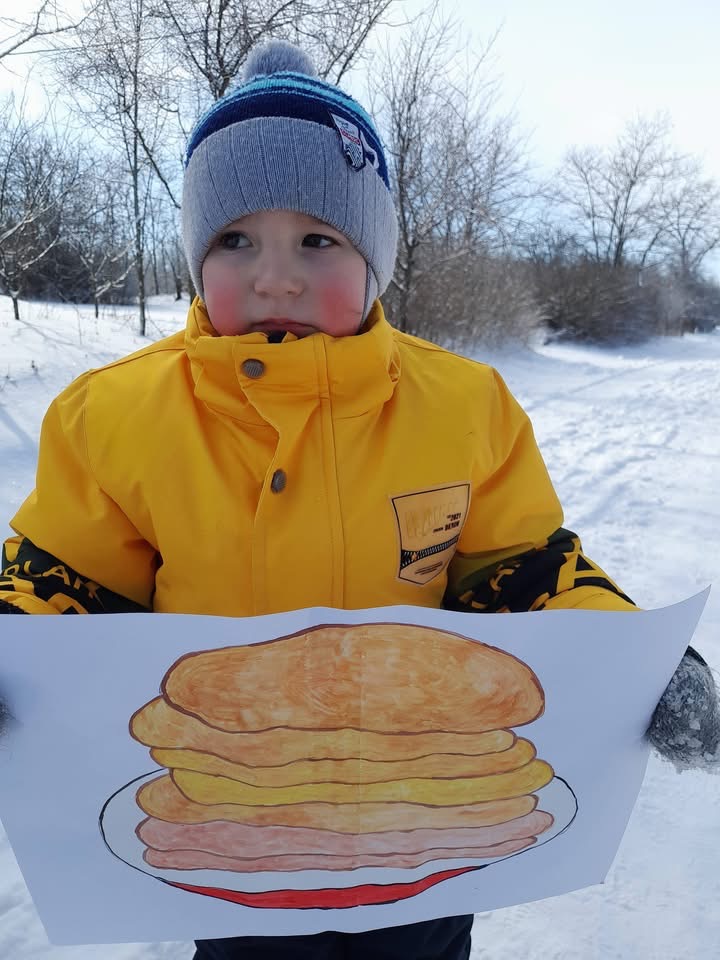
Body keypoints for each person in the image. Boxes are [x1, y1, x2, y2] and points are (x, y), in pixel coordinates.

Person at [0, 40, 717, 960]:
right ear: (192, 256)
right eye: (234, 239)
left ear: (375, 257)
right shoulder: (113, 416)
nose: (277, 275)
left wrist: (636, 662)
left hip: (423, 823)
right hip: (232, 838)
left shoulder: (463, 407)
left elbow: (526, 572)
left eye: (318, 239)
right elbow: (64, 583)